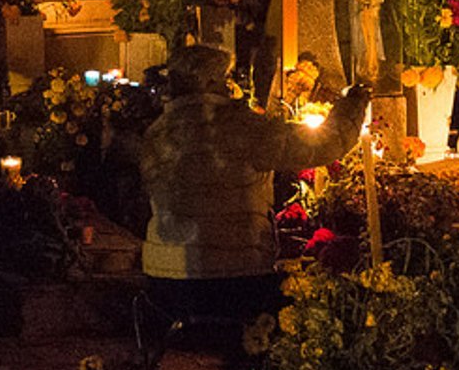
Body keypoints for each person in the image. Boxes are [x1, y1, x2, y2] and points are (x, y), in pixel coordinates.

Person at [139, 45, 368, 318]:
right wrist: (354, 103)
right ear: (209, 82)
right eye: (224, 77)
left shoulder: (157, 133)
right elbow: (322, 146)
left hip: (164, 276)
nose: (230, 84)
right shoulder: (239, 126)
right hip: (233, 273)